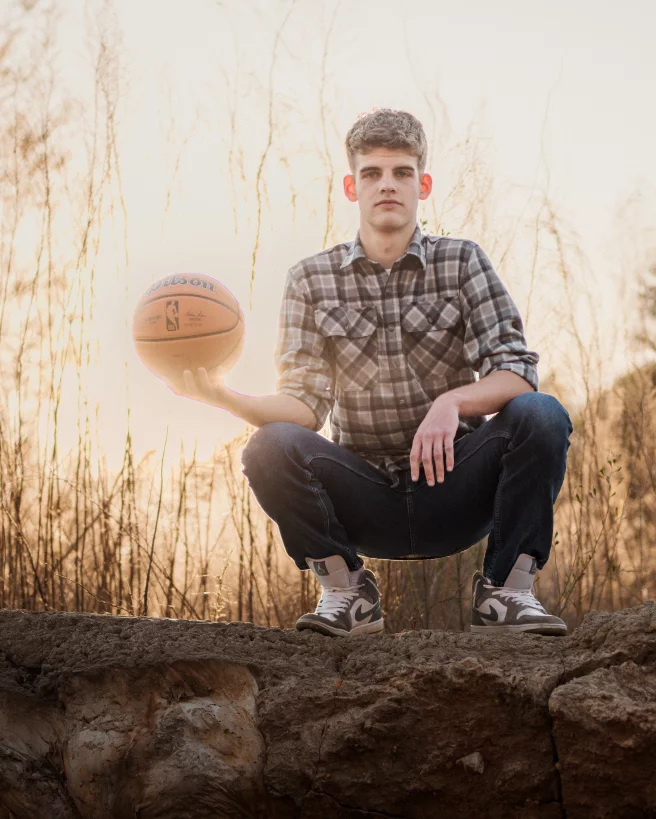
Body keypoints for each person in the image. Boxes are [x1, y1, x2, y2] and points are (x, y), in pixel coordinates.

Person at [172, 108, 573, 637]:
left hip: (454, 492)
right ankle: (346, 592)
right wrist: (227, 397)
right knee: (268, 445)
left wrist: (450, 403)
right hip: (366, 498)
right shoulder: (310, 279)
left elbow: (518, 372)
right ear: (351, 186)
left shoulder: (462, 262)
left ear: (422, 184)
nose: (388, 185)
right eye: (372, 173)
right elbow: (303, 406)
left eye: (402, 173)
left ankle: (506, 594)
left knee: (541, 415)